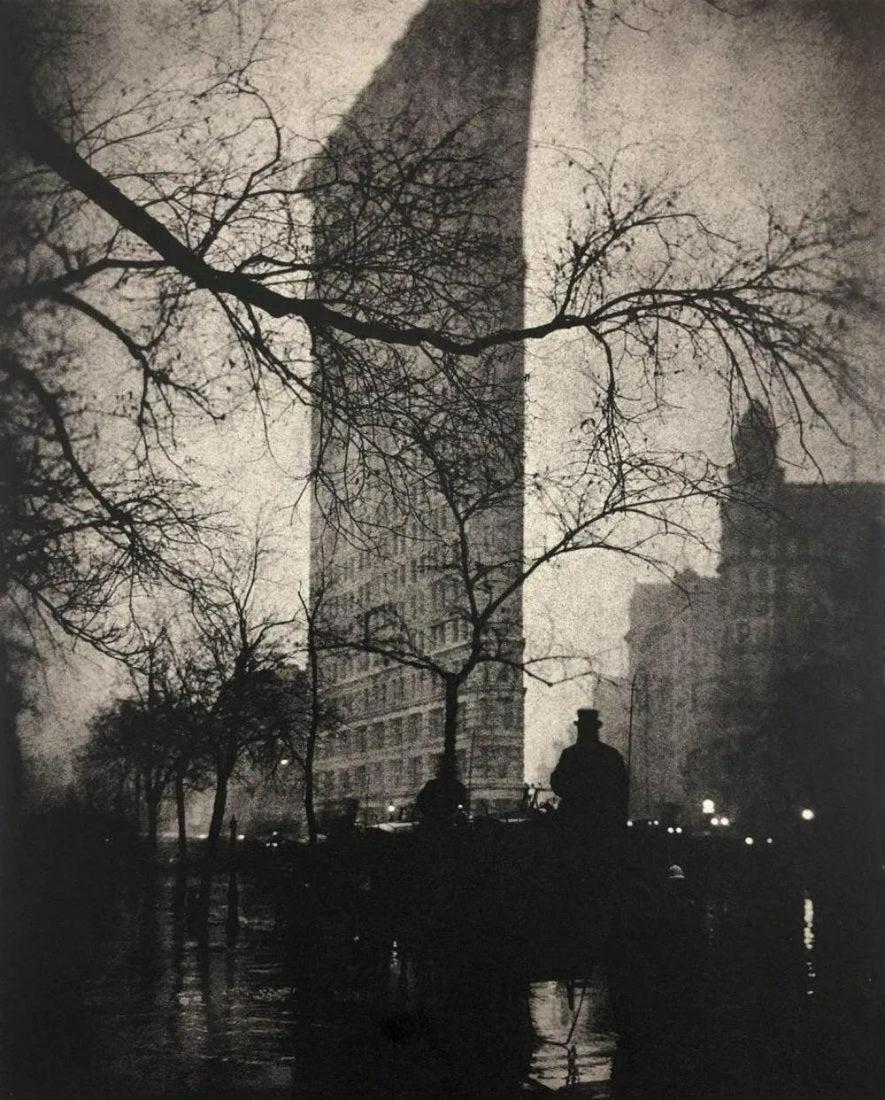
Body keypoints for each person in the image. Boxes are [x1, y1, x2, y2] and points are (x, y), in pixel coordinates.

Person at [550, 708, 628, 837]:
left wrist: (574, 793)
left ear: (580, 729)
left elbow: (557, 783)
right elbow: (622, 788)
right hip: (604, 823)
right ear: (596, 729)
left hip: (574, 822)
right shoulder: (611, 755)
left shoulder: (570, 755)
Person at [414, 755, 468, 826]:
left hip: (440, 821)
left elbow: (421, 801)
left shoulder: (432, 785)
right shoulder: (432, 785)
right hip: (437, 821)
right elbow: (421, 801)